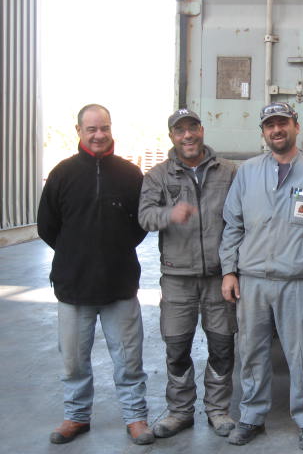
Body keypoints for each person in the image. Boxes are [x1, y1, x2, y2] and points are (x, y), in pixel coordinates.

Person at [219, 102, 303, 450]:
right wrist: (229, 270)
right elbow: (233, 224)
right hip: (252, 279)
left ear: (296, 127)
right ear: (263, 132)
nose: (276, 130)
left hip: (299, 280)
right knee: (252, 352)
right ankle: (252, 416)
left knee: (302, 355)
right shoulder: (248, 172)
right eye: (269, 125)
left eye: (282, 123)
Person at [37, 104, 153, 445]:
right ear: (79, 132)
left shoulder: (131, 175)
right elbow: (47, 226)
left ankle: (136, 418)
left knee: (129, 359)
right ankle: (76, 416)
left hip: (120, 285)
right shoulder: (62, 174)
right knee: (73, 361)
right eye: (91, 129)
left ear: (111, 128)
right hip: (74, 286)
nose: (98, 134)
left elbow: (140, 226)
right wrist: (77, 253)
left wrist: (113, 250)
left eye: (103, 127)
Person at [138, 108, 238, 439]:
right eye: (180, 131)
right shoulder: (158, 176)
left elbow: (240, 219)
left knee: (222, 345)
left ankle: (217, 409)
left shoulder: (228, 172)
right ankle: (180, 411)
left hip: (217, 277)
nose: (188, 135)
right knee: (176, 346)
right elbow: (145, 217)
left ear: (202, 130)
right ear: (172, 137)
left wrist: (233, 268)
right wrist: (170, 213)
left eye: (192, 128)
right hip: (178, 277)